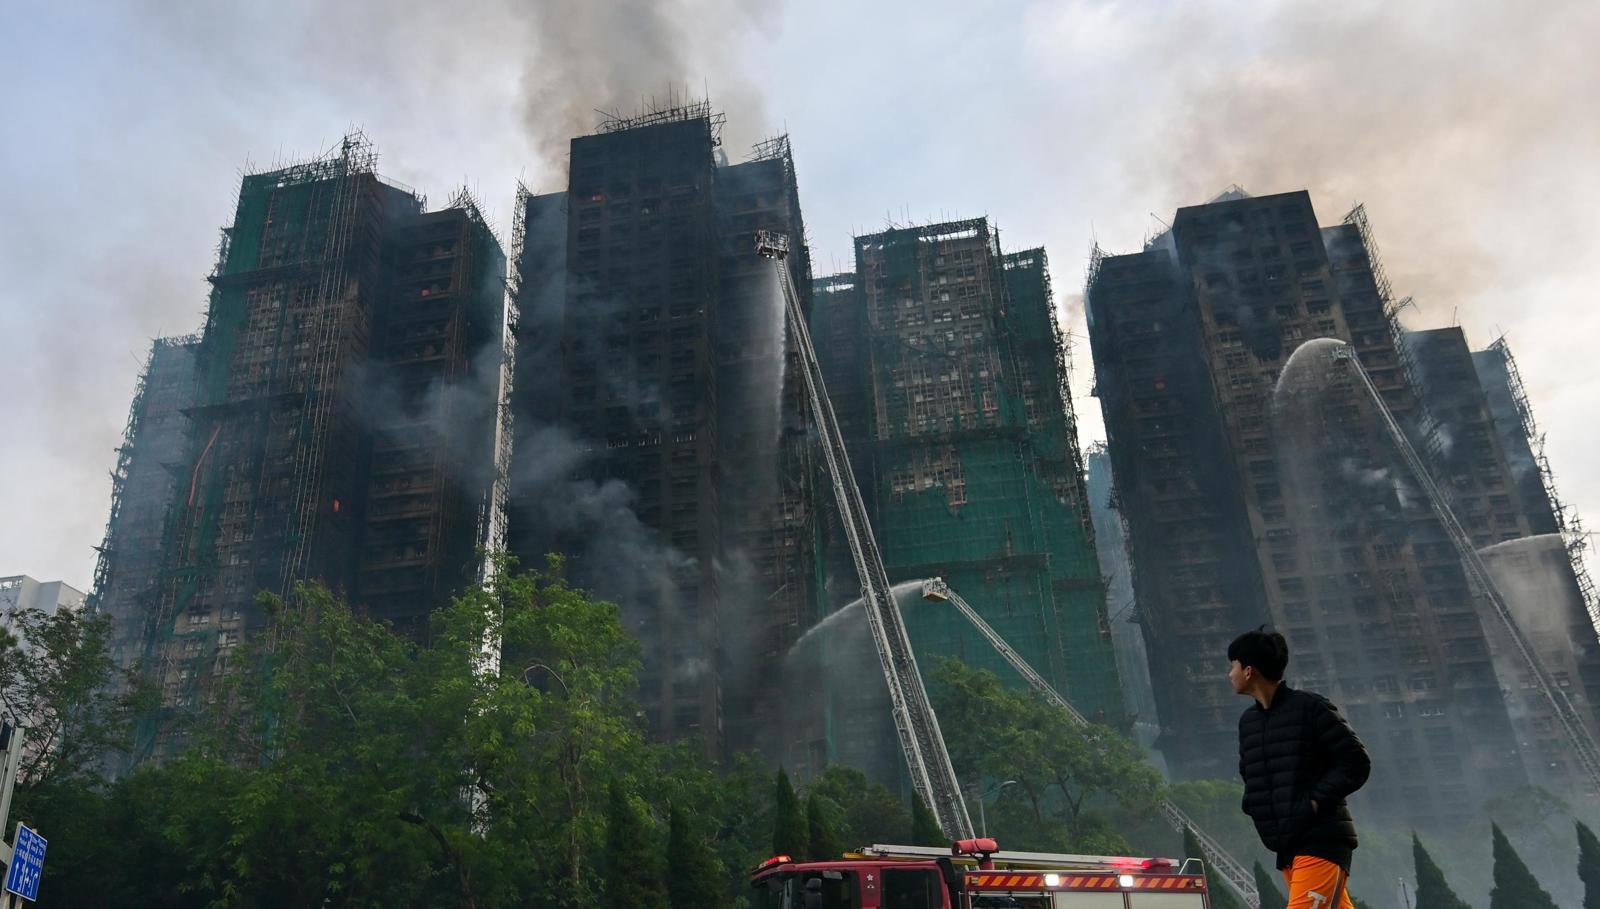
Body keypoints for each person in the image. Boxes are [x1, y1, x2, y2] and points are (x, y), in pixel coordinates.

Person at [1229, 627, 1371, 909]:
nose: (1229, 674)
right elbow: (1251, 773)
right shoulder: (1249, 723)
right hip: (1287, 845)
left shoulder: (1310, 708)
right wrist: (1254, 805)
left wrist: (1314, 802)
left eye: (1231, 666)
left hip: (1321, 841)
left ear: (1248, 670)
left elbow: (1356, 762)